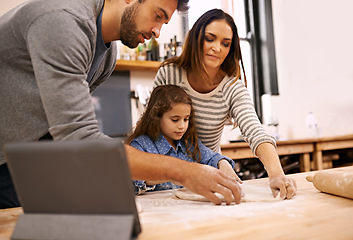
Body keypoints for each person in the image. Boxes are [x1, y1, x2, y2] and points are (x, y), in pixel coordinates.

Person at [0, 0, 242, 209]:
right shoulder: (64, 21)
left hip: (27, 160)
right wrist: (183, 171)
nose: (158, 32)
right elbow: (78, 137)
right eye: (157, 16)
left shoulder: (107, 55)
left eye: (164, 23)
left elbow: (60, 127)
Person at [154, 9, 297, 199]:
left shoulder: (232, 87)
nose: (217, 48)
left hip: (212, 176)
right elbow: (150, 126)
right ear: (196, 38)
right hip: (166, 179)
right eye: (210, 39)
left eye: (225, 43)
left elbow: (254, 130)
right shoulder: (170, 74)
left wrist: (277, 174)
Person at [126, 85, 242, 195]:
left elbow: (212, 157)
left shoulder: (189, 143)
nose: (182, 126)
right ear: (157, 117)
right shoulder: (141, 145)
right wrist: (173, 174)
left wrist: (223, 164)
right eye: (175, 120)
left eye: (186, 119)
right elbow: (134, 181)